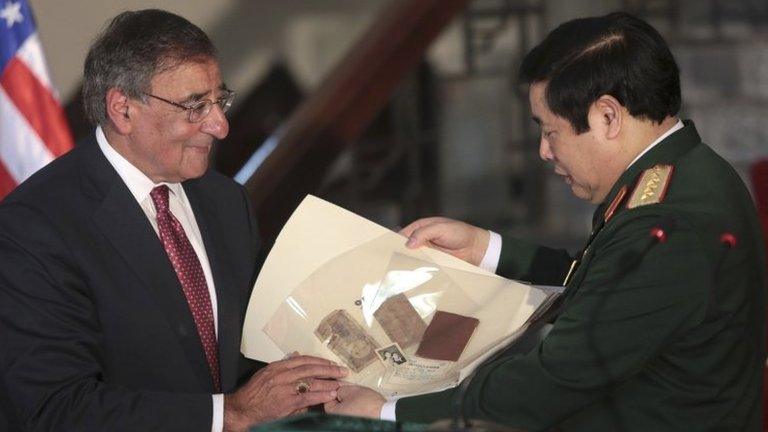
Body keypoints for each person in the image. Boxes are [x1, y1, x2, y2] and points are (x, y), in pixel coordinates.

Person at [325, 12, 767, 431]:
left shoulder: (668, 224)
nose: (543, 150)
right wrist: (484, 248)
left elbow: (552, 382)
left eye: (550, 130)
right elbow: (604, 282)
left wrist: (387, 410)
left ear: (607, 116)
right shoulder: (687, 170)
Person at [0, 9, 346, 432]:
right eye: (195, 105)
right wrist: (230, 414)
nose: (219, 126)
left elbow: (261, 338)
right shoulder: (34, 228)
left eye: (220, 100)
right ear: (123, 109)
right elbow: (57, 408)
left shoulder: (225, 201)